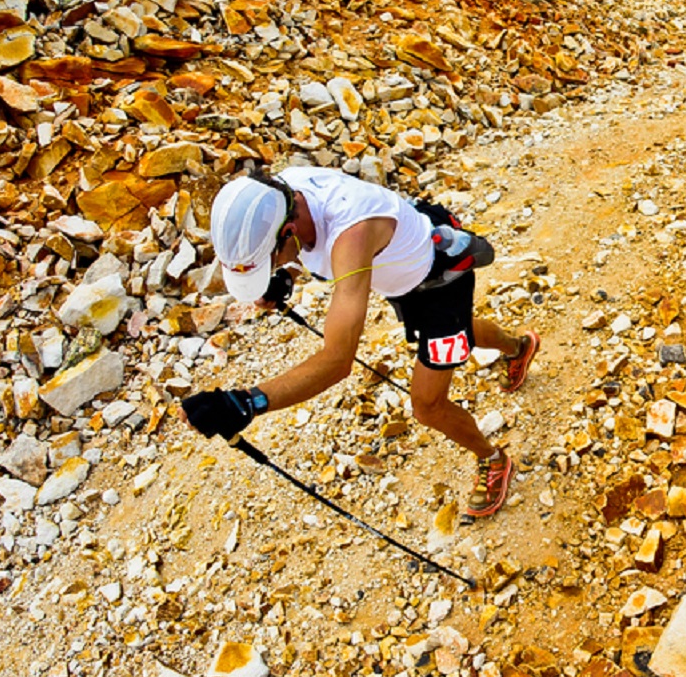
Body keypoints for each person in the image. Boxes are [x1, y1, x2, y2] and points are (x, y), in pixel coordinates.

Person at [180, 167, 539, 519]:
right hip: (404, 269)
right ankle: (519, 347)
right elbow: (305, 244)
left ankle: (492, 459)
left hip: (441, 282)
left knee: (427, 406)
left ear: (287, 231)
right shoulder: (282, 193)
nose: (272, 266)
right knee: (457, 332)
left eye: (270, 260)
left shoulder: (351, 235)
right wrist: (285, 275)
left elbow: (337, 361)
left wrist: (247, 402)